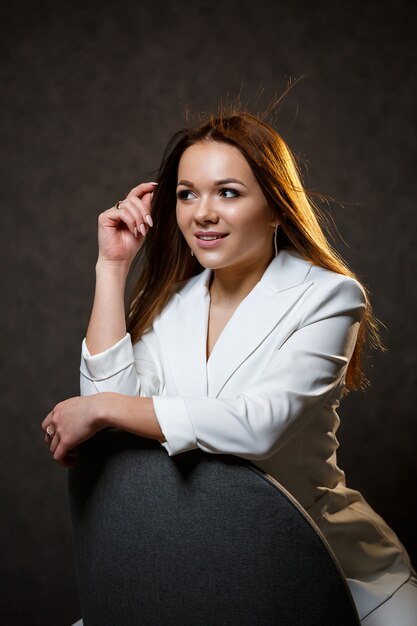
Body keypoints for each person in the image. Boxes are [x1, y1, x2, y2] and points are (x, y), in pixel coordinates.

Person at [42, 110, 416, 624]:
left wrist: (104, 407)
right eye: (187, 193)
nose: (202, 213)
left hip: (325, 558)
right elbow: (106, 422)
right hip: (196, 556)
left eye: (229, 192)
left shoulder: (330, 297)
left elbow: (258, 426)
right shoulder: (171, 304)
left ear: (277, 208)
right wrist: (112, 268)